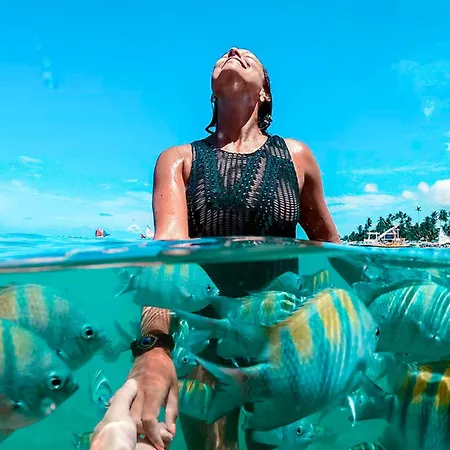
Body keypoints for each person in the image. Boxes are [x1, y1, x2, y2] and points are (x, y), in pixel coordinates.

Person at [125, 47, 341, 450]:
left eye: (249, 58)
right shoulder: (178, 160)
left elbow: (332, 245)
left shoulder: (298, 158)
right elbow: (168, 256)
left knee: (276, 443)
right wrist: (154, 347)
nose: (233, 52)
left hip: (281, 337)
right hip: (205, 338)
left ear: (265, 93)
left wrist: (370, 304)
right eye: (224, 56)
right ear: (213, 92)